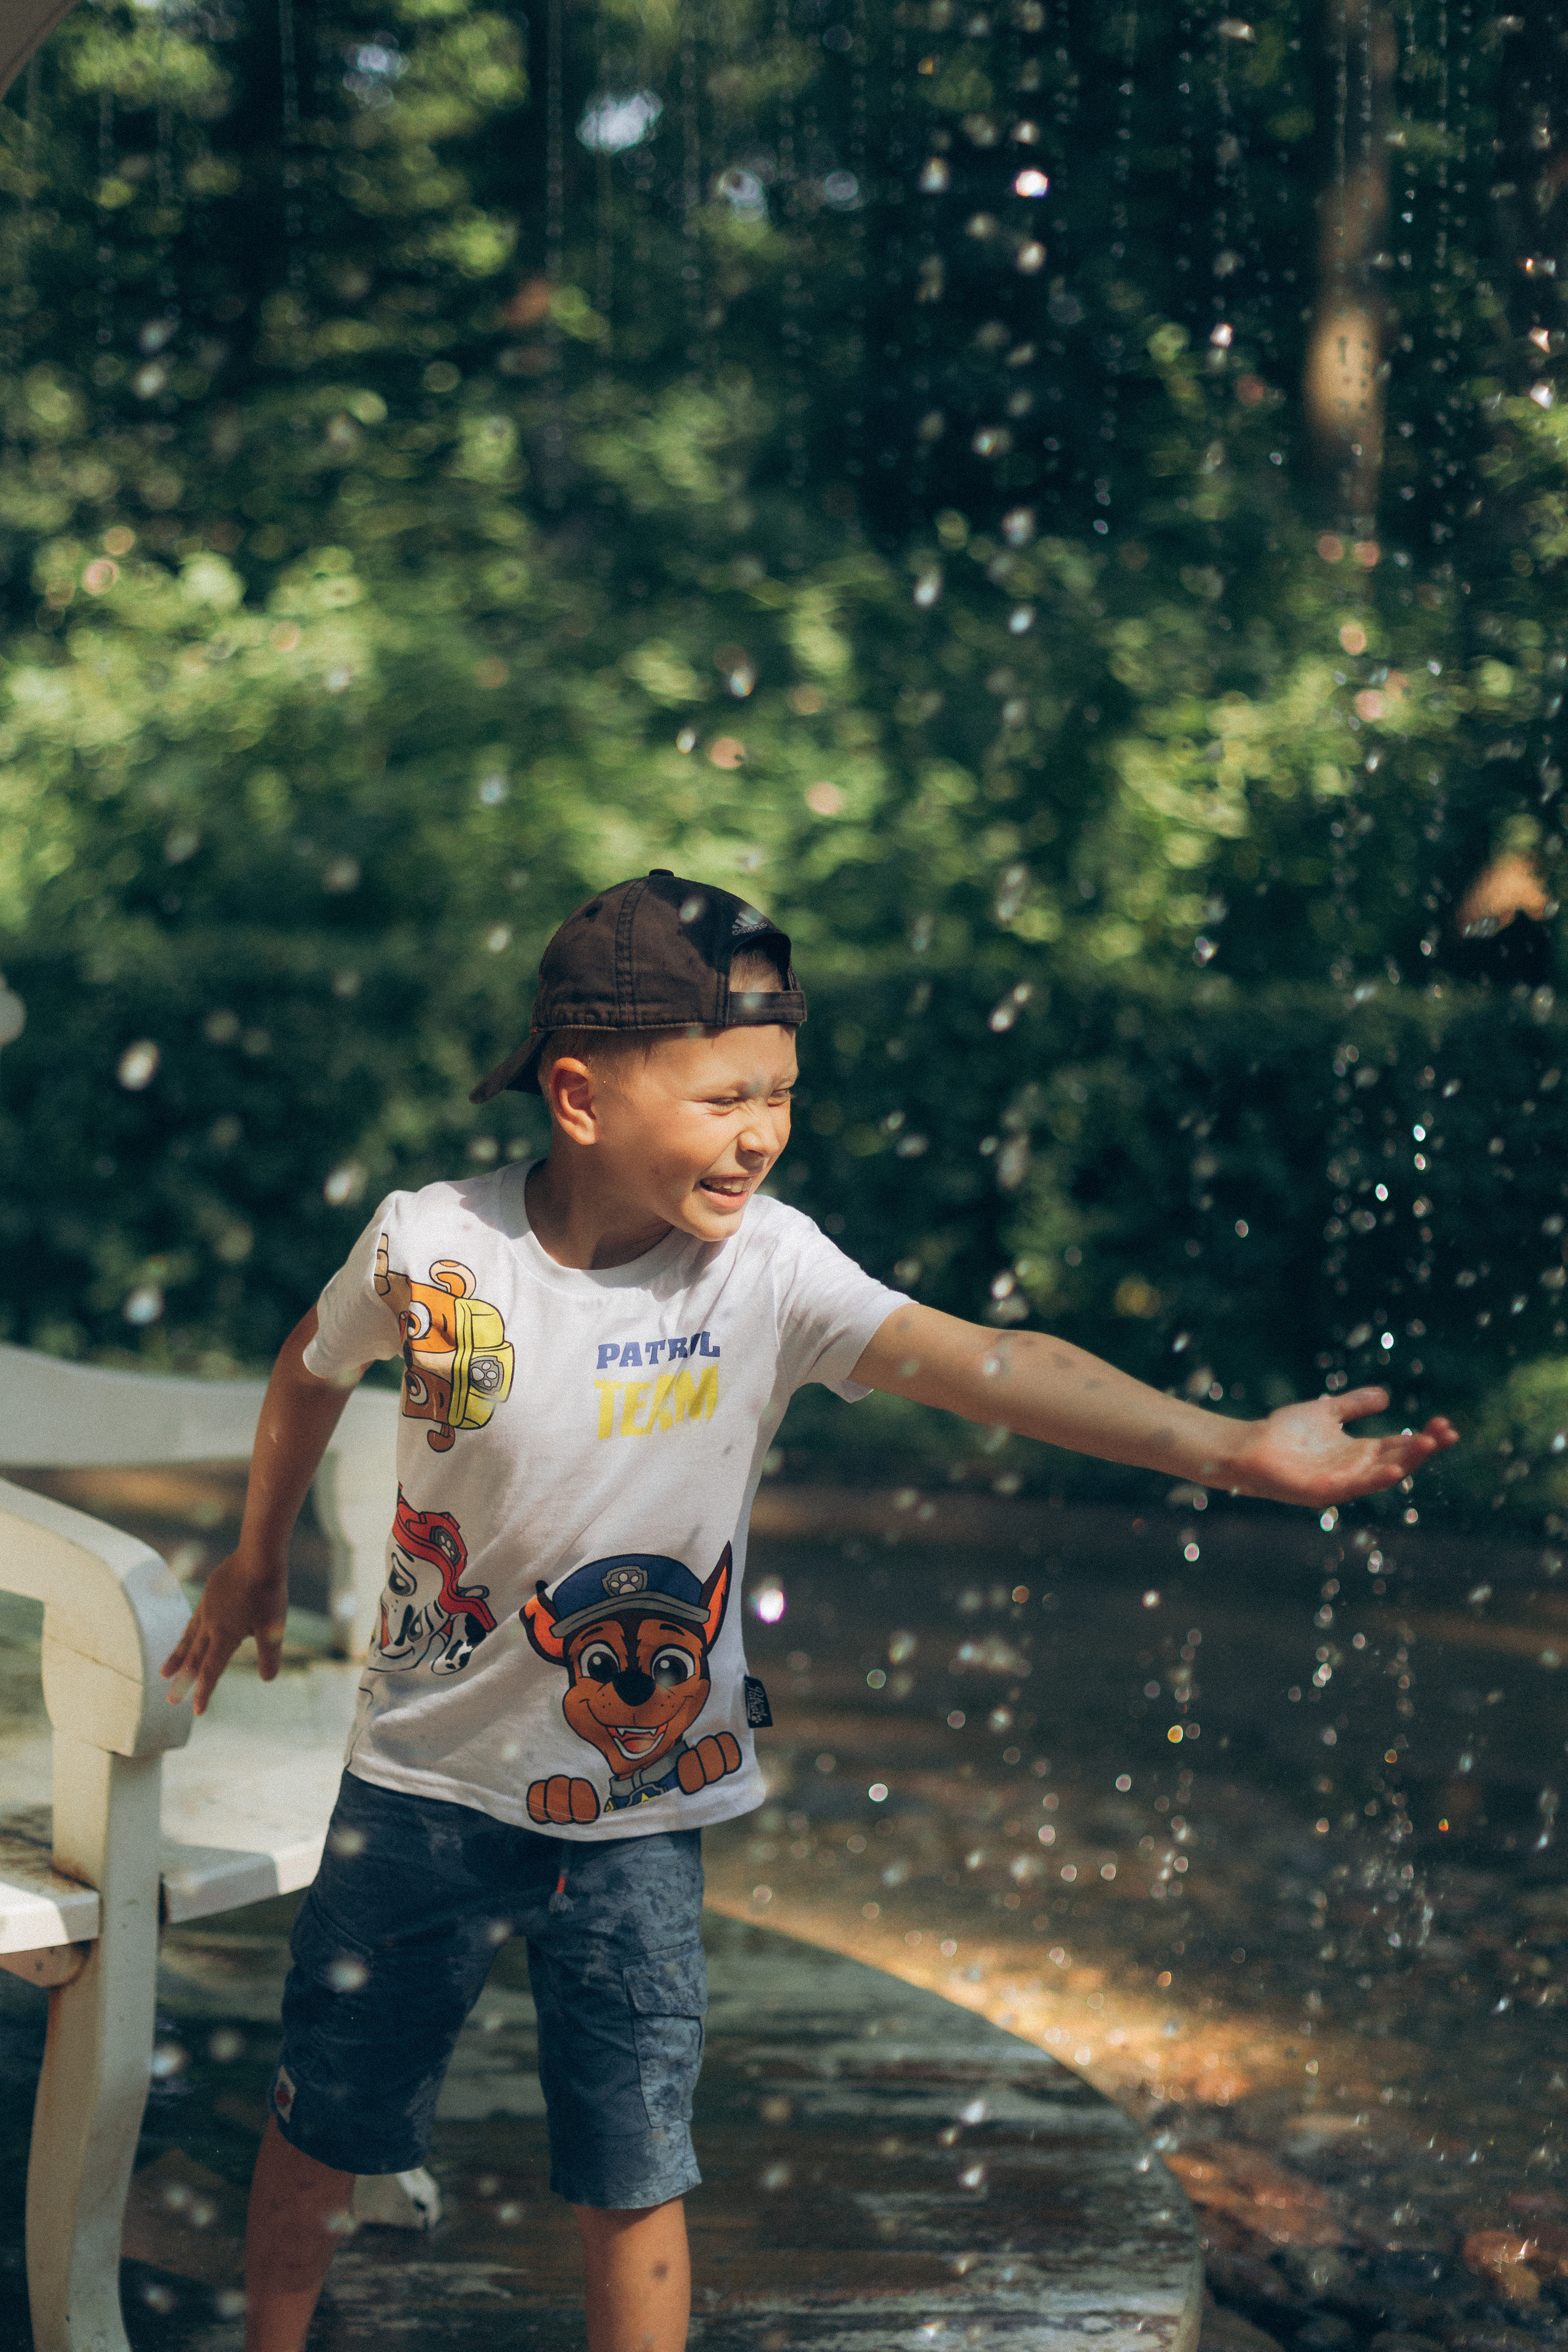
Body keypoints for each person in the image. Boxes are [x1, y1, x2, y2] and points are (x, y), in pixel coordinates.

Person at [162, 870, 1457, 2352]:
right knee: (326, 2118)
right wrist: (257, 1557)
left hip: (639, 1815)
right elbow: (309, 1369)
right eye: (723, 1098)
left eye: (779, 1093)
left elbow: (991, 1361)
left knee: (635, 2169)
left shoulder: (767, 1270)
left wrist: (1227, 1446)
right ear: (578, 1098)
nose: (762, 1132)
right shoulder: (433, 1245)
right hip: (417, 1793)